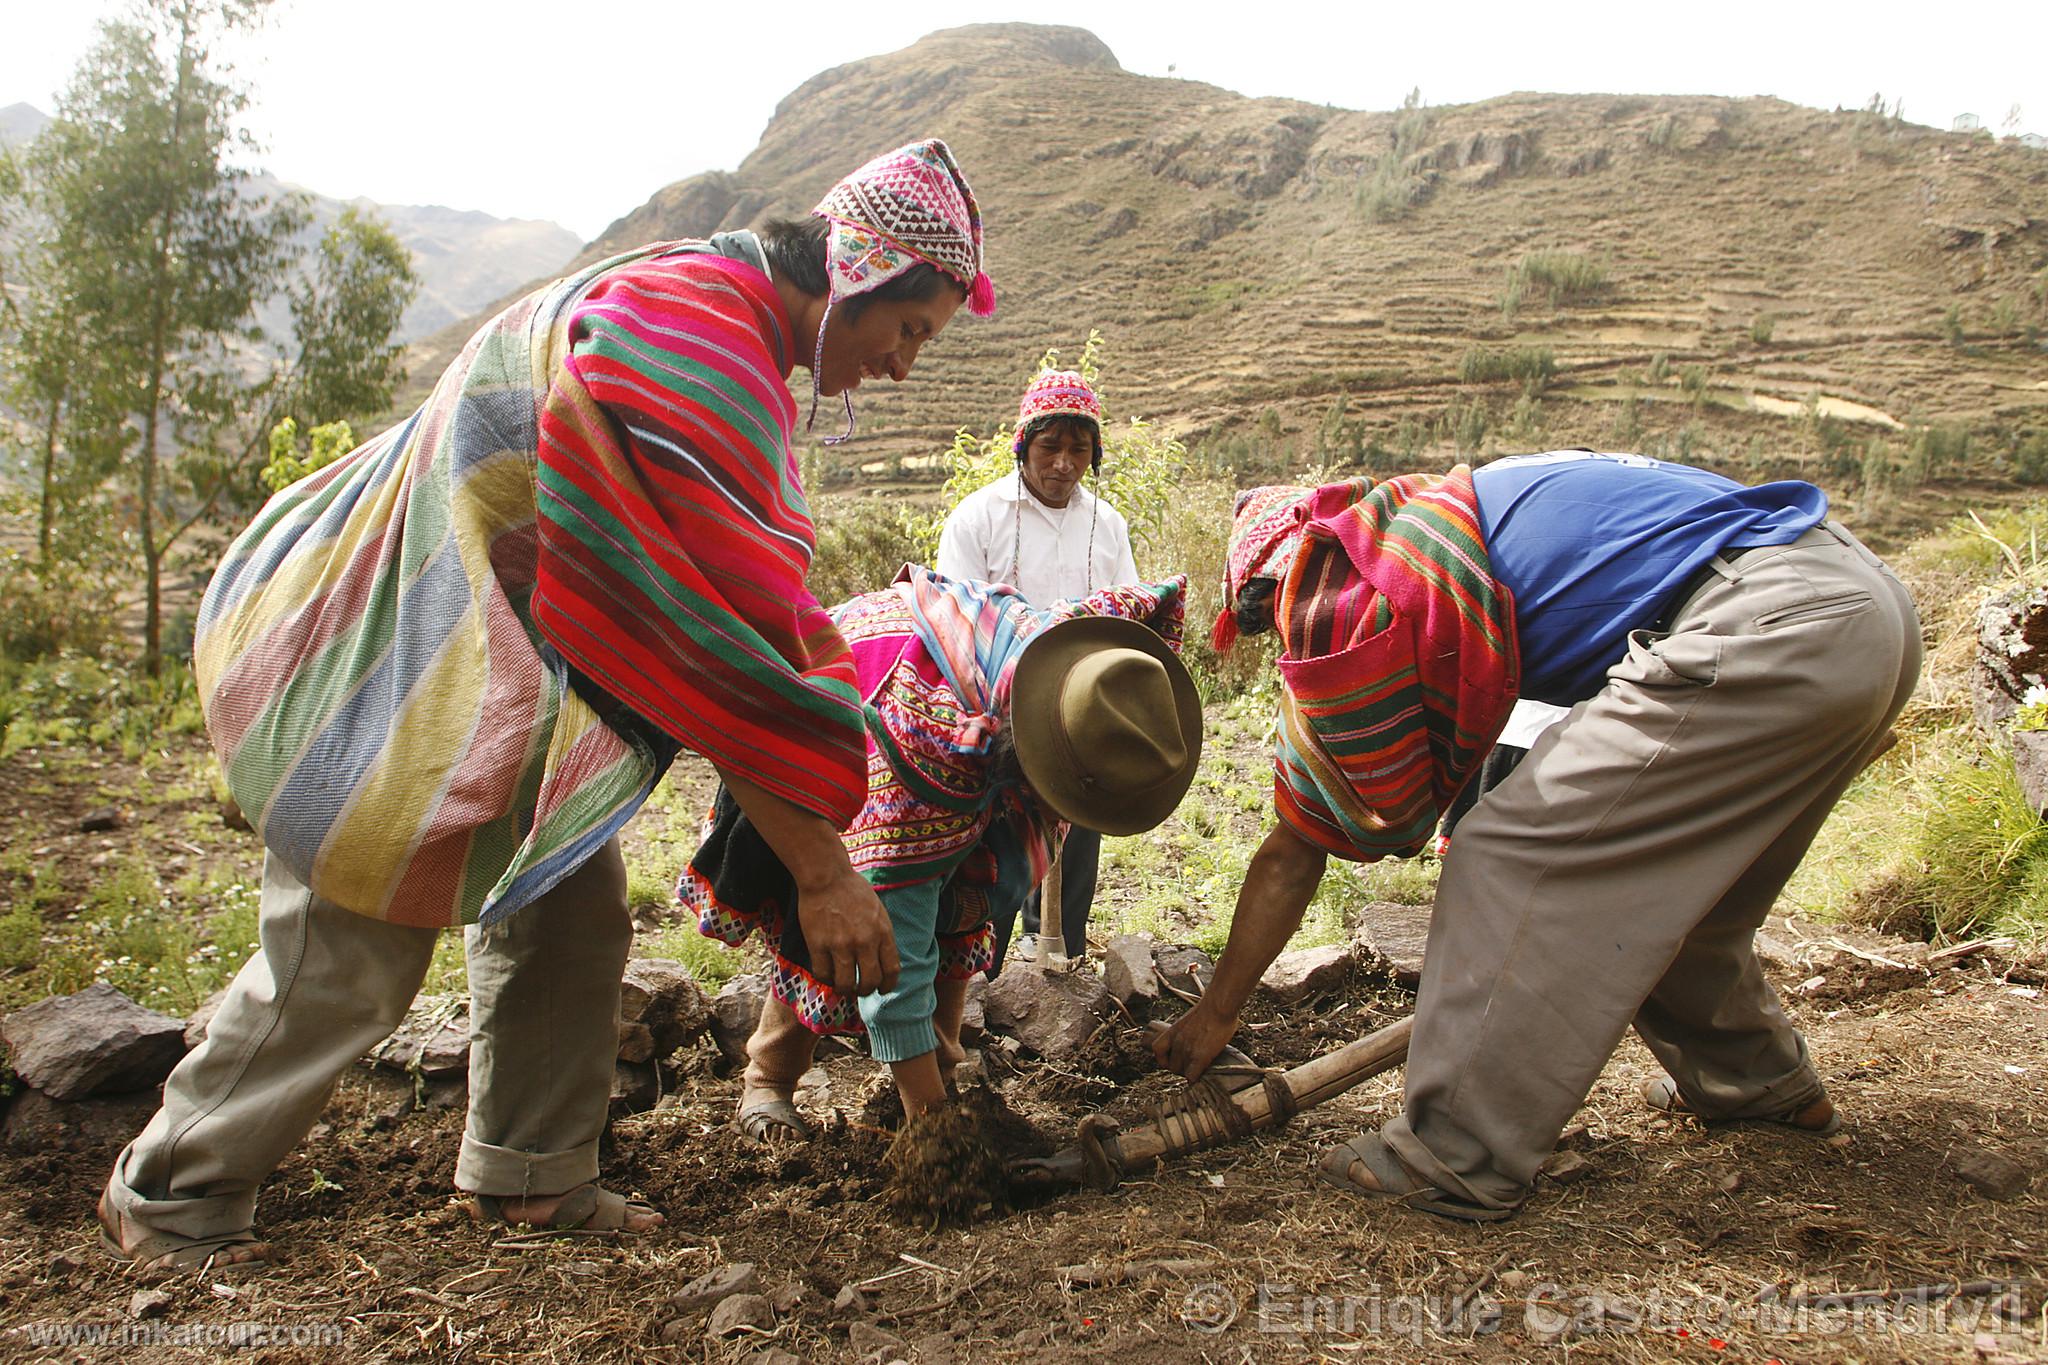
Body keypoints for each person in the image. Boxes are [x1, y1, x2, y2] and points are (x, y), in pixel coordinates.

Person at [99, 138, 997, 1273]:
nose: (904, 365)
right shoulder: (699, 344)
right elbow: (726, 640)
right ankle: (173, 1190)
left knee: (567, 907)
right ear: (856, 272)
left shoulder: (707, 305)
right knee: (348, 946)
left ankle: (531, 1174)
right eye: (907, 330)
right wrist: (821, 870)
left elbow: (731, 605)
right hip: (403, 681)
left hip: (504, 681)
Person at [1154, 449, 1920, 1221]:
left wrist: (1217, 1010)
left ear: (1284, 570)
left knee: (1503, 856)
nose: (1279, 628)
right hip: (1860, 609)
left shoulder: (1353, 588)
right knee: (1679, 894)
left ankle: (1455, 1153)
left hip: (1766, 623)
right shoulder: (1449, 514)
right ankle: (1754, 1082)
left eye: (1260, 614)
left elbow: (1297, 846)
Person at [683, 568, 1199, 1138]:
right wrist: (934, 1134)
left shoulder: (1085, 674)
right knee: (841, 926)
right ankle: (771, 1078)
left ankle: (942, 1069)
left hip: (963, 739)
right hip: (842, 733)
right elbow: (895, 937)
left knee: (967, 897)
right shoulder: (922, 750)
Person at [935, 370, 1140, 961]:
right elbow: (955, 621)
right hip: (996, 713)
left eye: (1079, 449)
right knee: (994, 853)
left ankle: (1061, 963)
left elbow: (1123, 613)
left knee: (1076, 844)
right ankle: (983, 976)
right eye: (1051, 446)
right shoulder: (978, 519)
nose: (1064, 463)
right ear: (1024, 445)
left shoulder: (1108, 525)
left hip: (1079, 713)